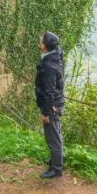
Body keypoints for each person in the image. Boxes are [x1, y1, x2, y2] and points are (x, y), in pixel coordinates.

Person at [34, 30, 65, 179]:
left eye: (41, 40)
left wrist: (46, 112)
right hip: (58, 101)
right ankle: (56, 159)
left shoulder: (48, 66)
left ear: (45, 46)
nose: (39, 41)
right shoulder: (56, 54)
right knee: (56, 132)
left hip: (52, 104)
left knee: (52, 137)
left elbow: (48, 91)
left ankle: (56, 168)